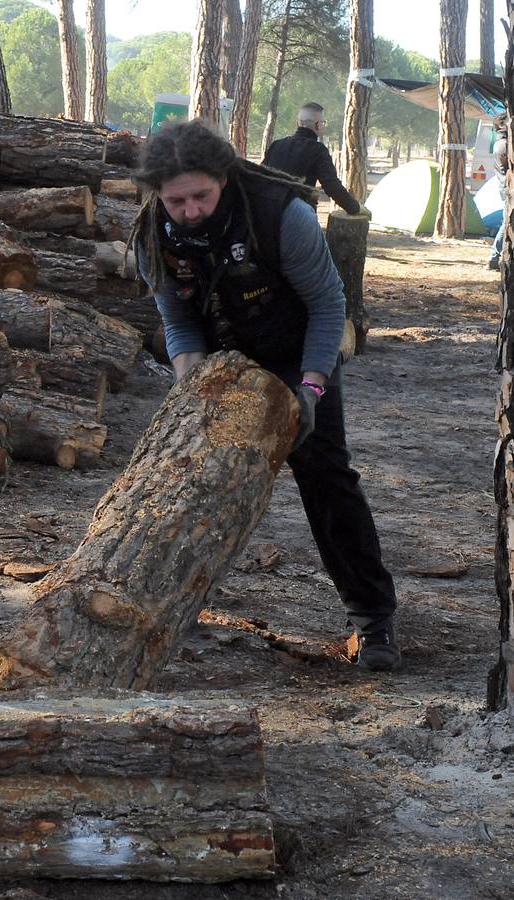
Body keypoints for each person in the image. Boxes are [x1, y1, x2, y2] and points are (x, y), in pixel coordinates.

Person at [132, 120, 400, 672]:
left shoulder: (283, 215)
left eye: (201, 196)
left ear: (224, 178)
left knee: (327, 479)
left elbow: (330, 306)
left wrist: (310, 388)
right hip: (218, 362)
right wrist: (192, 383)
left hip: (298, 353)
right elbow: (177, 322)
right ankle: (148, 621)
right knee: (185, 486)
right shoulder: (151, 235)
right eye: (176, 200)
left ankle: (374, 622)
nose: (190, 211)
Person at [264, 102, 366, 216]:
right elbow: (332, 186)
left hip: (268, 213)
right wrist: (355, 208)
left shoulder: (276, 145)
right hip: (298, 216)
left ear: (297, 123)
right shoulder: (318, 150)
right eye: (323, 122)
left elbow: (261, 176)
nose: (323, 125)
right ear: (318, 125)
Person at [488, 113, 508, 271]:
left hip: (506, 189)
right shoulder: (504, 144)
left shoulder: (500, 143)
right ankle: (494, 257)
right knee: (507, 223)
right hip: (509, 190)